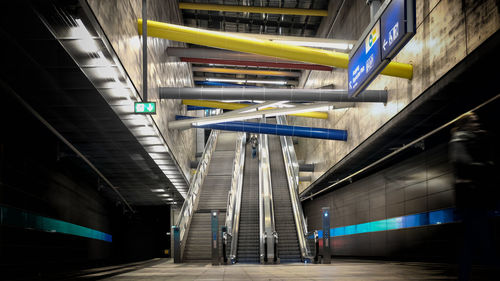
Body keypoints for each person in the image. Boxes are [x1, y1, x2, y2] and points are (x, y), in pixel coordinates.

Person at [449, 112, 498, 280]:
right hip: (470, 195)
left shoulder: (476, 139)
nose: (477, 122)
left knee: (474, 235)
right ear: (465, 124)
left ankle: (466, 271)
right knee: (478, 234)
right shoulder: (459, 141)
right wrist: (484, 167)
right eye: (473, 121)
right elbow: (464, 164)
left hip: (477, 194)